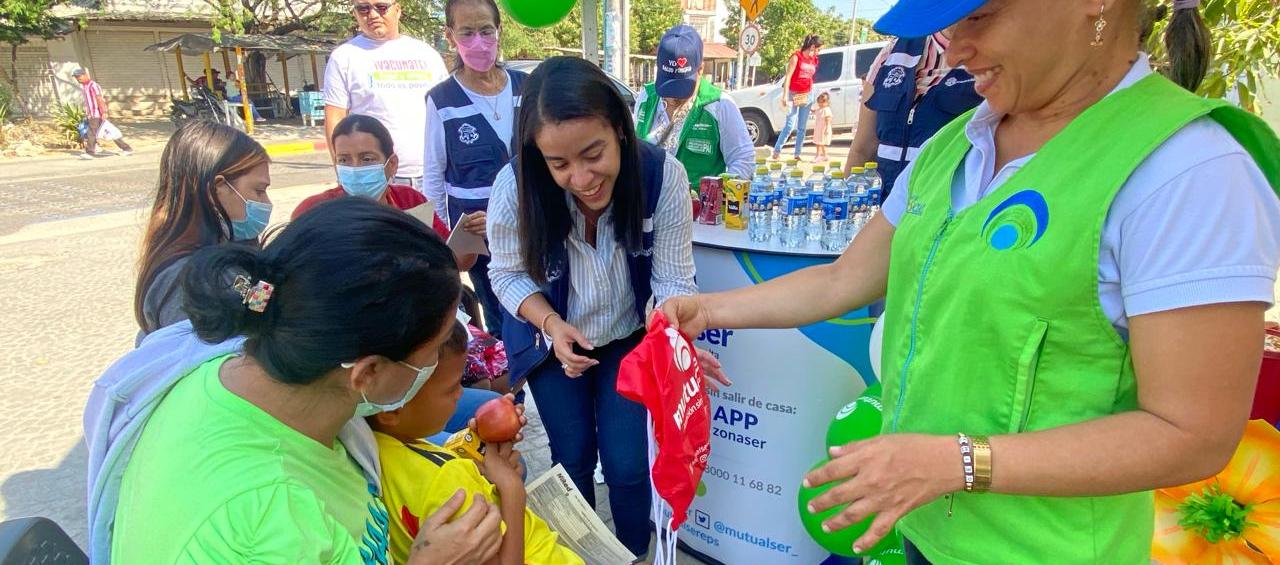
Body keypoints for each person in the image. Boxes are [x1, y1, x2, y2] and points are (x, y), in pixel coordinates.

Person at [660, 0, 1280, 562]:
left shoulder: (1188, 169)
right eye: (948, 27)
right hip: (927, 529)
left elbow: (1191, 435)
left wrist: (956, 462)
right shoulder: (956, 144)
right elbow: (844, 279)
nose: (955, 50)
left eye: (979, 18)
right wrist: (707, 310)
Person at [92, 198, 504, 564]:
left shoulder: (235, 372)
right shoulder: (267, 530)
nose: (445, 358)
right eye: (437, 347)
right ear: (368, 373)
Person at [487, 56, 727, 557]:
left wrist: (672, 343)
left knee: (628, 465)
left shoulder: (662, 177)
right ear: (538, 155)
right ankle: (578, 555)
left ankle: (632, 552)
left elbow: (673, 279)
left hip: (627, 340)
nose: (581, 178)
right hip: (553, 343)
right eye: (559, 164)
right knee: (571, 459)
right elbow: (505, 274)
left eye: (592, 154)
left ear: (619, 127)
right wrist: (551, 324)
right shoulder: (516, 187)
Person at [368, 320, 584, 564]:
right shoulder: (447, 482)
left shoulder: (377, 449)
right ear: (392, 409)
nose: (461, 394)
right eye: (451, 388)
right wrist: (511, 488)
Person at [423, 0, 528, 340]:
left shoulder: (527, 88)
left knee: (539, 310)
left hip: (531, 230)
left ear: (499, 31)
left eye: (486, 30)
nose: (479, 42)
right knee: (500, 320)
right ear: (450, 36)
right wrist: (449, 240)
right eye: (467, 33)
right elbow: (434, 177)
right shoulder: (442, 100)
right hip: (478, 240)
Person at [134, 121, 272, 344]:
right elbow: (199, 356)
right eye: (259, 191)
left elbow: (258, 305)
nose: (266, 202)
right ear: (218, 188)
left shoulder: (229, 251)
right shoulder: (185, 281)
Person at [324, 0, 449, 192]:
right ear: (355, 13)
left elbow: (446, 111)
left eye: (381, 7)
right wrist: (345, 176)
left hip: (431, 175)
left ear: (397, 10)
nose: (372, 15)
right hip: (376, 178)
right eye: (363, 8)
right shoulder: (344, 57)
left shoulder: (427, 54)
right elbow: (335, 118)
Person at [841, 29, 982, 200]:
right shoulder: (893, 52)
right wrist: (847, 203)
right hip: (884, 204)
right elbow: (862, 148)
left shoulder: (991, 54)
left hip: (946, 206)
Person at [633, 24, 755, 184]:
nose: (673, 97)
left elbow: (743, 159)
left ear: (700, 69)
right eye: (668, 85)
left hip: (698, 200)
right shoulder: (646, 97)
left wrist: (718, 192)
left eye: (681, 87)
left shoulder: (719, 104)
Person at [771, 34, 822, 161]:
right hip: (793, 93)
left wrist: (812, 97)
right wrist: (784, 95)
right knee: (789, 125)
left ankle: (797, 154)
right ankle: (777, 150)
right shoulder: (796, 56)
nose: (818, 52)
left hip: (807, 94)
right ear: (812, 46)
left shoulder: (814, 59)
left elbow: (810, 77)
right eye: (818, 49)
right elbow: (788, 76)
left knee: (802, 127)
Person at [73, 68, 133, 160]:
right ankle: (126, 148)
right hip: (91, 114)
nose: (78, 78)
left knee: (91, 132)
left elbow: (99, 99)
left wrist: (103, 112)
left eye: (79, 76)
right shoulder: (85, 86)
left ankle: (90, 152)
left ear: (85, 75)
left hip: (96, 114)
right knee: (107, 132)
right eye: (76, 77)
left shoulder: (93, 85)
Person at [812, 92, 834, 162]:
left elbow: (828, 119)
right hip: (818, 129)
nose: (821, 104)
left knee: (820, 143)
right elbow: (814, 111)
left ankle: (818, 155)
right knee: (820, 143)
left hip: (823, 129)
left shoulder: (826, 110)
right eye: (819, 102)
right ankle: (825, 155)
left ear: (827, 102)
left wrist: (827, 128)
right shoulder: (819, 109)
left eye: (823, 102)